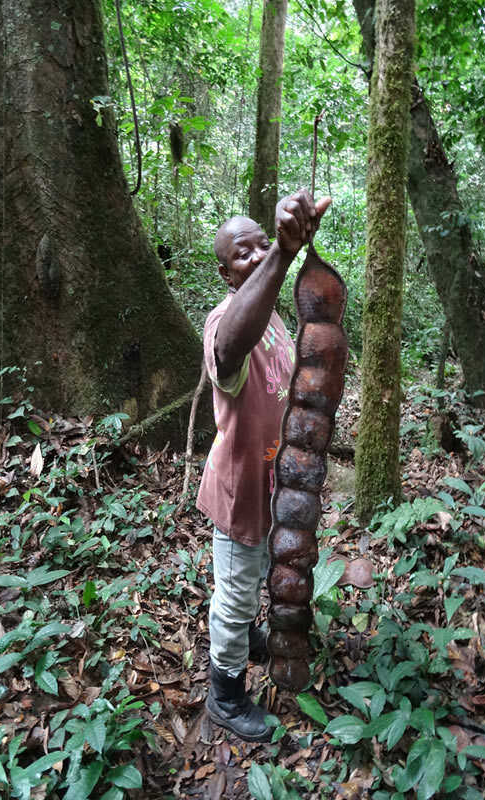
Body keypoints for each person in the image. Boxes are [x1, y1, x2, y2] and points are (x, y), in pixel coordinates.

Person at [197, 188, 332, 741]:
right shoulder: (226, 320)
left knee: (255, 576)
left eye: (261, 247)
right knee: (234, 594)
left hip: (278, 485)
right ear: (226, 273)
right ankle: (224, 693)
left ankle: (250, 635)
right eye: (243, 254)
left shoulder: (273, 315)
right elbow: (232, 347)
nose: (255, 257)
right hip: (240, 493)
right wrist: (280, 251)